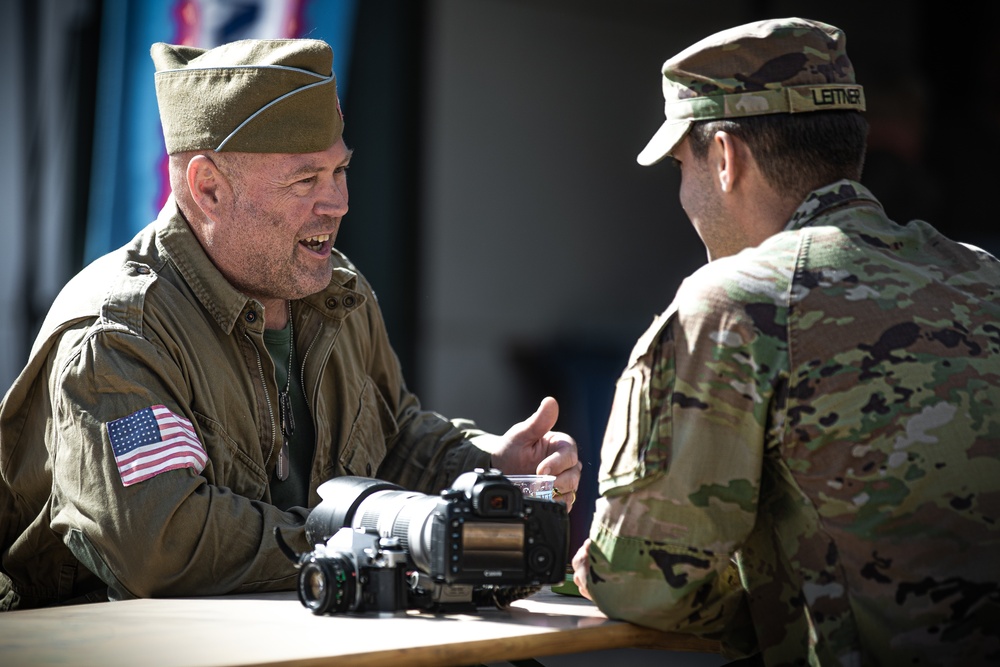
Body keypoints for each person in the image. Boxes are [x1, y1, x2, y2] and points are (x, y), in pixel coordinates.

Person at [0, 38, 580, 611]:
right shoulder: (120, 332)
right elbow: (161, 543)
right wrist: (362, 538)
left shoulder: (337, 292)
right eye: (305, 181)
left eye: (340, 171)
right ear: (209, 189)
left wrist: (490, 465)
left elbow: (394, 436)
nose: (337, 203)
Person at [571, 17, 1000, 666]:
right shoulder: (985, 278)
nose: (684, 195)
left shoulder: (735, 302)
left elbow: (641, 582)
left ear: (723, 158)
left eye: (681, 166)